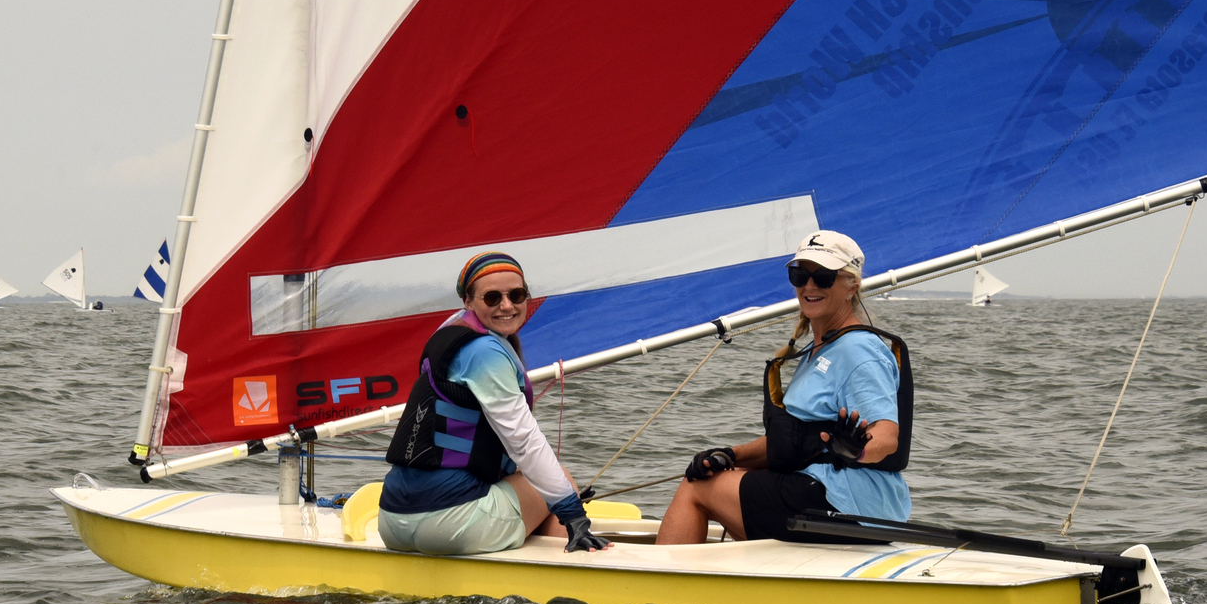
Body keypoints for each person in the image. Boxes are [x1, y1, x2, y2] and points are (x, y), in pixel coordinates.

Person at [656, 230, 913, 545]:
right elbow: (794, 441)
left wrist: (857, 450)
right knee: (714, 476)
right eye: (800, 274)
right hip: (823, 493)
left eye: (823, 277)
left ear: (851, 286)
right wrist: (729, 454)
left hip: (847, 502)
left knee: (696, 487)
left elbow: (887, 437)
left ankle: (661, 588)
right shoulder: (822, 350)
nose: (809, 286)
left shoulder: (858, 351)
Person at [380, 251, 610, 556]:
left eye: (516, 295)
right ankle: (580, 559)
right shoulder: (484, 352)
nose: (506, 305)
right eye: (492, 298)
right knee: (561, 482)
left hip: (392, 521)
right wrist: (570, 509)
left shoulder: (451, 333)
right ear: (469, 301)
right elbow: (523, 441)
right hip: (450, 526)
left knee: (546, 489)